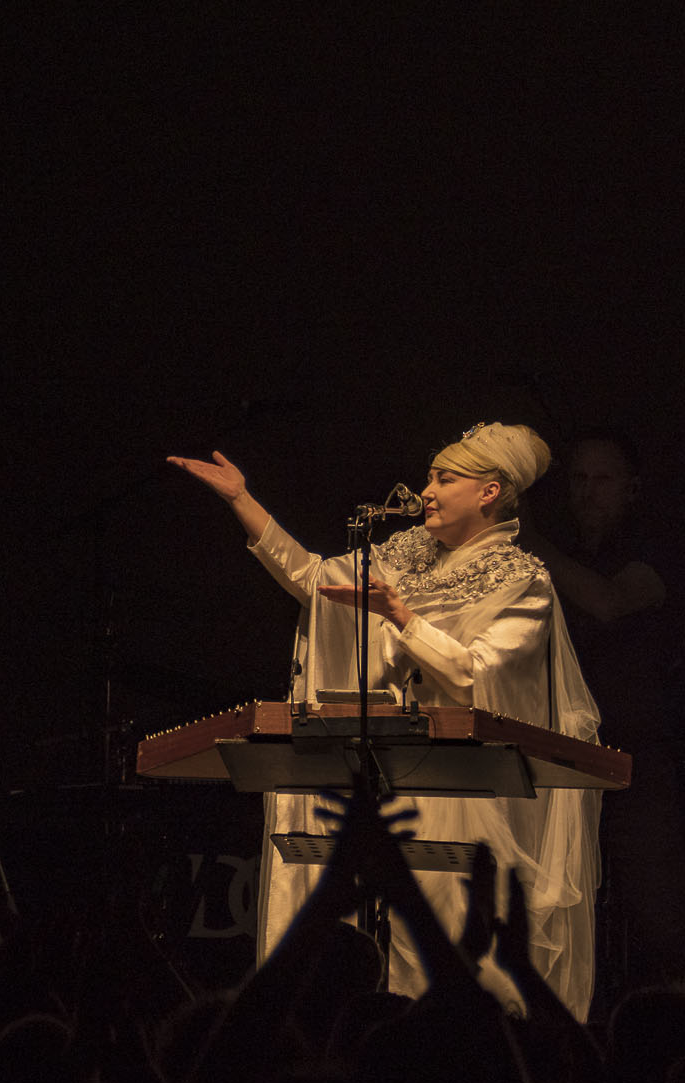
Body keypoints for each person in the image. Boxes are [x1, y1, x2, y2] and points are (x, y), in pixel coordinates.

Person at [168, 423, 604, 1019]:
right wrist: (243, 500)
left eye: (445, 478)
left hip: (454, 783)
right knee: (368, 938)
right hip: (380, 767)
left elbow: (480, 675)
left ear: (489, 492)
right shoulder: (403, 552)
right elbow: (315, 582)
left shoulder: (521, 580)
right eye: (429, 476)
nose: (427, 490)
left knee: (439, 945)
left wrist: (404, 619)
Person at [523, 434, 685, 993]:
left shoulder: (650, 548)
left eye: (602, 480)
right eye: (578, 479)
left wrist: (533, 545)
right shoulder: (565, 554)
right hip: (566, 757)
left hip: (636, 757)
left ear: (632, 488)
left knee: (659, 917)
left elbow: (609, 602)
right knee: (558, 910)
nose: (587, 493)